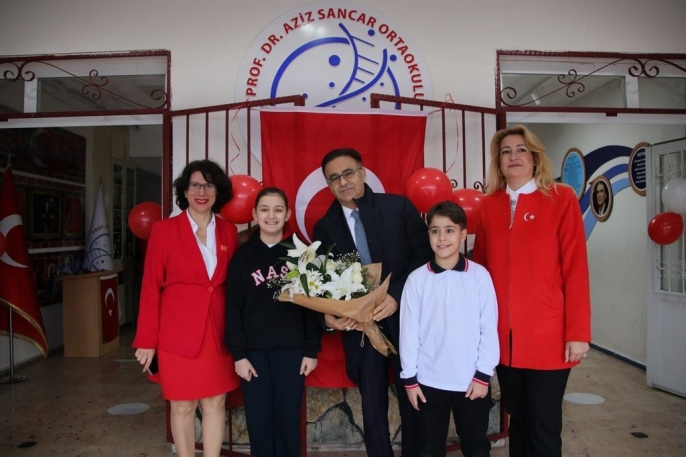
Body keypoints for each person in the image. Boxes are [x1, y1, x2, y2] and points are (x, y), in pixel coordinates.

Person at [472, 125, 592, 457]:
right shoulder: (487, 206)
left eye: (521, 149)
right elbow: (479, 275)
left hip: (549, 335)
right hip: (504, 339)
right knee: (519, 420)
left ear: (535, 158)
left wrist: (578, 332)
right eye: (506, 151)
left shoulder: (561, 198)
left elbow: (576, 270)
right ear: (499, 162)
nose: (513, 156)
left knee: (543, 424)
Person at [313, 148, 432, 457]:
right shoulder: (324, 227)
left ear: (362, 173)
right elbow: (320, 284)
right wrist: (328, 316)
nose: (343, 182)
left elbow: (423, 256)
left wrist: (396, 295)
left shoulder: (398, 208)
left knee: (414, 398)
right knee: (372, 405)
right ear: (328, 184)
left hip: (405, 319)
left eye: (348, 173)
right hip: (361, 328)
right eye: (334, 178)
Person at [133, 160, 241, 457]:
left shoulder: (229, 231)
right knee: (182, 405)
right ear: (184, 191)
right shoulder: (164, 230)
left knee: (216, 402)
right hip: (177, 336)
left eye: (209, 185)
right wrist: (146, 339)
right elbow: (150, 287)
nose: (201, 192)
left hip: (218, 333)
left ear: (218, 191)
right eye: (195, 185)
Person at [224, 187, 322, 457]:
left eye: (278, 210)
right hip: (253, 355)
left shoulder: (301, 255)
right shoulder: (242, 257)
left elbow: (314, 306)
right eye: (264, 210)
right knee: (259, 422)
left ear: (287, 214)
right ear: (254, 214)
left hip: (291, 353)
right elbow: (233, 309)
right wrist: (239, 355)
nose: (271, 216)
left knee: (288, 421)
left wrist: (311, 350)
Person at [400, 201, 499, 457]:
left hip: (471, 381)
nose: (442, 238)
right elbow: (408, 333)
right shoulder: (416, 279)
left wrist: (483, 374)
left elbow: (489, 328)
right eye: (435, 231)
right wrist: (410, 378)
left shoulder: (479, 276)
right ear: (428, 235)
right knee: (429, 448)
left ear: (463, 234)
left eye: (449, 230)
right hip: (428, 381)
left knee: (476, 447)